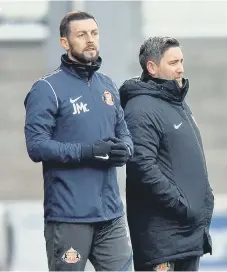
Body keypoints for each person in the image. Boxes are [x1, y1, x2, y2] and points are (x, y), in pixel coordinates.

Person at [24, 11, 133, 271]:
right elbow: (36, 145)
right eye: (81, 35)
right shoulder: (47, 88)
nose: (90, 40)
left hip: (111, 215)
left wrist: (126, 149)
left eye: (94, 33)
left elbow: (124, 131)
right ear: (65, 42)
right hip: (69, 216)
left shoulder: (107, 85)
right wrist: (88, 152)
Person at [119, 36, 214, 271]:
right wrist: (182, 204)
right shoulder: (140, 108)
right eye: (173, 63)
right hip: (162, 239)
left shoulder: (178, 104)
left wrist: (205, 199)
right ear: (152, 67)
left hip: (188, 234)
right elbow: (142, 166)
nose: (180, 68)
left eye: (181, 61)